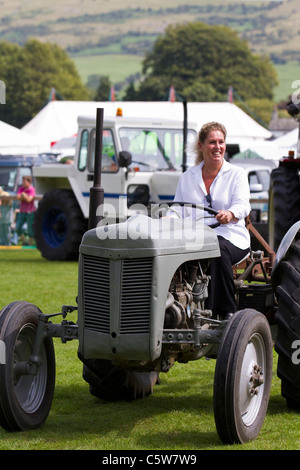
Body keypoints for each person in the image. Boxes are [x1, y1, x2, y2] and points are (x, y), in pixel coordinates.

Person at [173, 121, 251, 319]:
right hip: (195, 236)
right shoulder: (187, 177)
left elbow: (243, 205)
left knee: (216, 248)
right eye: (212, 142)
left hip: (230, 236)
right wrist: (168, 217)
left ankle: (226, 313)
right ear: (201, 145)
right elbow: (178, 208)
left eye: (221, 142)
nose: (218, 147)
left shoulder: (236, 174)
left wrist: (230, 214)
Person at [16, 175, 36, 245]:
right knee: (17, 227)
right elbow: (18, 197)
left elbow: (29, 199)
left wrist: (23, 195)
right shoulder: (21, 188)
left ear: (29, 182)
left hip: (30, 212)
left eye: (24, 182)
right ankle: (24, 241)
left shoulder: (32, 189)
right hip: (22, 211)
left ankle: (31, 242)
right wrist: (24, 195)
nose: (23, 183)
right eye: (22, 182)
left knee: (30, 228)